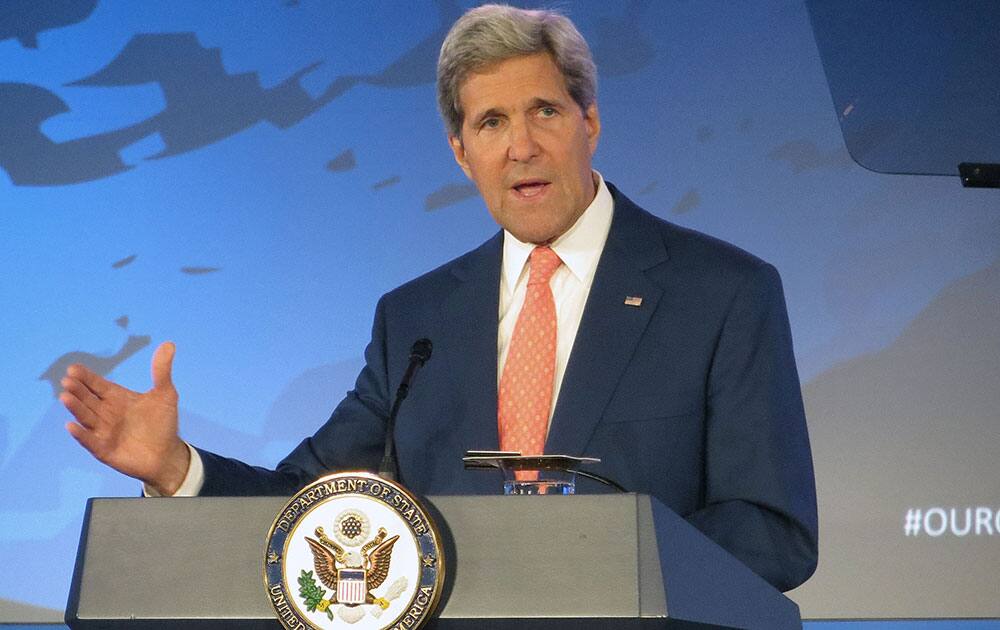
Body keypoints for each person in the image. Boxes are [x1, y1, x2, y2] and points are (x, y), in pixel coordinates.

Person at [59, 4, 818, 591]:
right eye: (491, 122)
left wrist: (599, 563)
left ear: (590, 120)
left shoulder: (723, 292)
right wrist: (174, 468)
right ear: (463, 154)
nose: (521, 145)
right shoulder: (415, 321)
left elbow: (773, 530)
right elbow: (309, 501)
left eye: (544, 111)